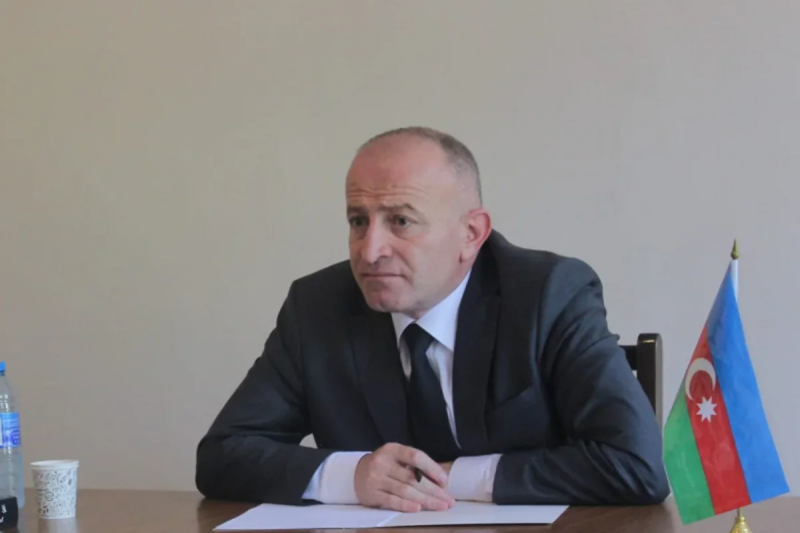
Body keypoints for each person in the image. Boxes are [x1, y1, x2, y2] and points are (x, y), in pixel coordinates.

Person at [195, 127, 670, 512]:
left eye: (400, 221)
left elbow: (635, 465)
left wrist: (448, 477)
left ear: (471, 234)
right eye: (358, 221)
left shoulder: (549, 295)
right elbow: (222, 455)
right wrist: (354, 476)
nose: (370, 250)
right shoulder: (318, 307)